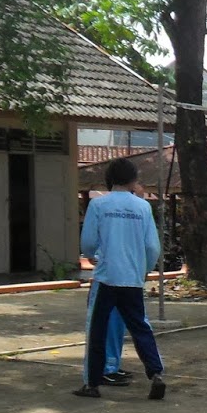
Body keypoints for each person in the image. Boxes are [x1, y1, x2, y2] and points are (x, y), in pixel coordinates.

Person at [75, 156, 167, 399]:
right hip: (132, 278)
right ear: (133, 180)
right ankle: (156, 373)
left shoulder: (98, 205)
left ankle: (91, 383)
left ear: (109, 179)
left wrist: (91, 255)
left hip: (106, 277)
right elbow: (152, 247)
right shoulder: (143, 207)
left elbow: (88, 241)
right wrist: (145, 269)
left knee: (97, 329)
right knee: (140, 327)